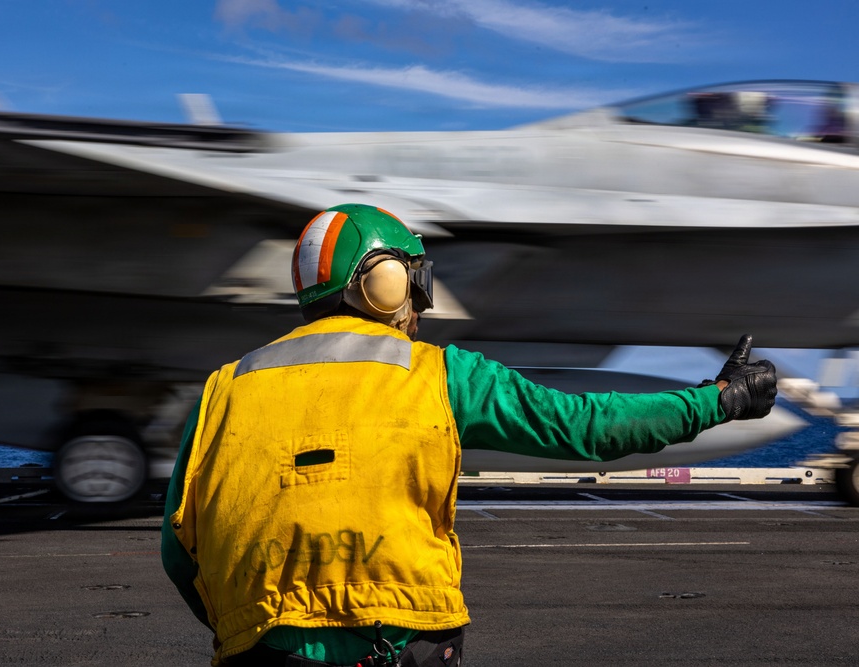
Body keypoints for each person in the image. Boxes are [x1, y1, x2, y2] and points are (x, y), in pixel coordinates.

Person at [162, 203, 778, 666]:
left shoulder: (223, 387)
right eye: (417, 280)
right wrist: (719, 399)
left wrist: (246, 627)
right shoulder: (438, 373)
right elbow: (590, 427)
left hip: (258, 648)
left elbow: (177, 548)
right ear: (386, 285)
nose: (422, 303)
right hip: (401, 643)